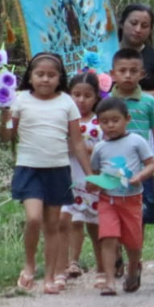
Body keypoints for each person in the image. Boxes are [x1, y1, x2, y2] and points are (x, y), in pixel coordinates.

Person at [0, 52, 91, 294]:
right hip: (28, 168)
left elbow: (77, 142)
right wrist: (5, 117)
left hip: (58, 170)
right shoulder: (19, 99)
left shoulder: (67, 102)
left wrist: (89, 174)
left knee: (53, 225)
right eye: (40, 74)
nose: (45, 79)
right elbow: (7, 136)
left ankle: (50, 277)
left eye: (51, 75)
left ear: (60, 78)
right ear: (30, 76)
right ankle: (29, 265)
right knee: (33, 219)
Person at [88, 97, 154, 296]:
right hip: (107, 200)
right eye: (105, 121)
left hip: (132, 200)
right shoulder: (99, 148)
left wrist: (140, 176)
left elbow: (151, 165)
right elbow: (95, 175)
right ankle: (110, 281)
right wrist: (93, 184)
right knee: (108, 237)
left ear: (127, 119)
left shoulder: (137, 141)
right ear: (99, 123)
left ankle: (134, 268)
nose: (110, 125)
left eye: (115, 120)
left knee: (133, 242)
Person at [110, 48, 154, 234]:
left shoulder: (149, 102)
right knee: (113, 214)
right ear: (112, 74)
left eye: (133, 71)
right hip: (112, 168)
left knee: (140, 215)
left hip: (142, 170)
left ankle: (136, 251)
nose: (128, 75)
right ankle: (117, 251)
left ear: (142, 74)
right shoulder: (106, 101)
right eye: (122, 71)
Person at [60, 72, 103, 287]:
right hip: (70, 176)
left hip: (92, 178)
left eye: (87, 95)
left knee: (95, 224)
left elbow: (107, 148)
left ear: (96, 97)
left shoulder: (100, 122)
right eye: (76, 94)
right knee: (72, 220)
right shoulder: (65, 121)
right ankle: (72, 262)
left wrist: (87, 148)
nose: (81, 100)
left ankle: (102, 266)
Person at [117, 4, 154, 106]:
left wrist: (131, 94)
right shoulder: (103, 53)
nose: (138, 30)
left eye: (144, 26)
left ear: (150, 30)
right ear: (122, 23)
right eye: (133, 23)